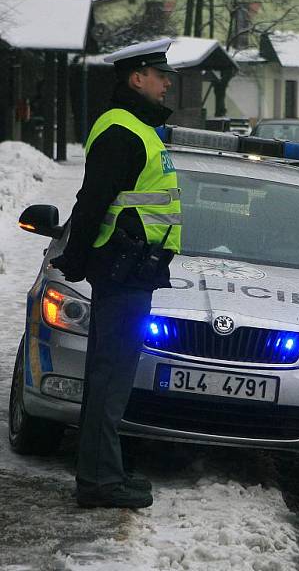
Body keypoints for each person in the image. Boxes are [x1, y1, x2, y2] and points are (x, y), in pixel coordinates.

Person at [50, 38, 181, 509]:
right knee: (110, 377)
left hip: (132, 271)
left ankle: (104, 470)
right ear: (136, 78)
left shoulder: (138, 129)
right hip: (123, 270)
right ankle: (101, 481)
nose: (167, 82)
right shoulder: (124, 130)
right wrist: (77, 259)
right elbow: (93, 201)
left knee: (111, 375)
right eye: (159, 74)